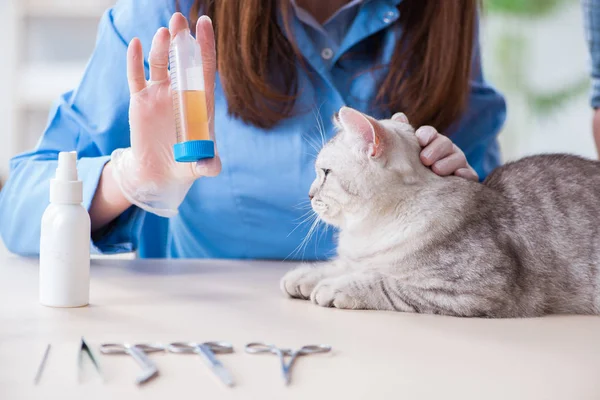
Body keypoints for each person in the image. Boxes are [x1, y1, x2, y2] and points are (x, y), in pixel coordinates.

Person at [0, 0, 506, 260]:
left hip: (394, 334)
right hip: (208, 340)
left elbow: (496, 231)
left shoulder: (441, 16)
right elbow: (19, 210)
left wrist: (458, 198)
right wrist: (128, 179)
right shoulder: (168, 13)